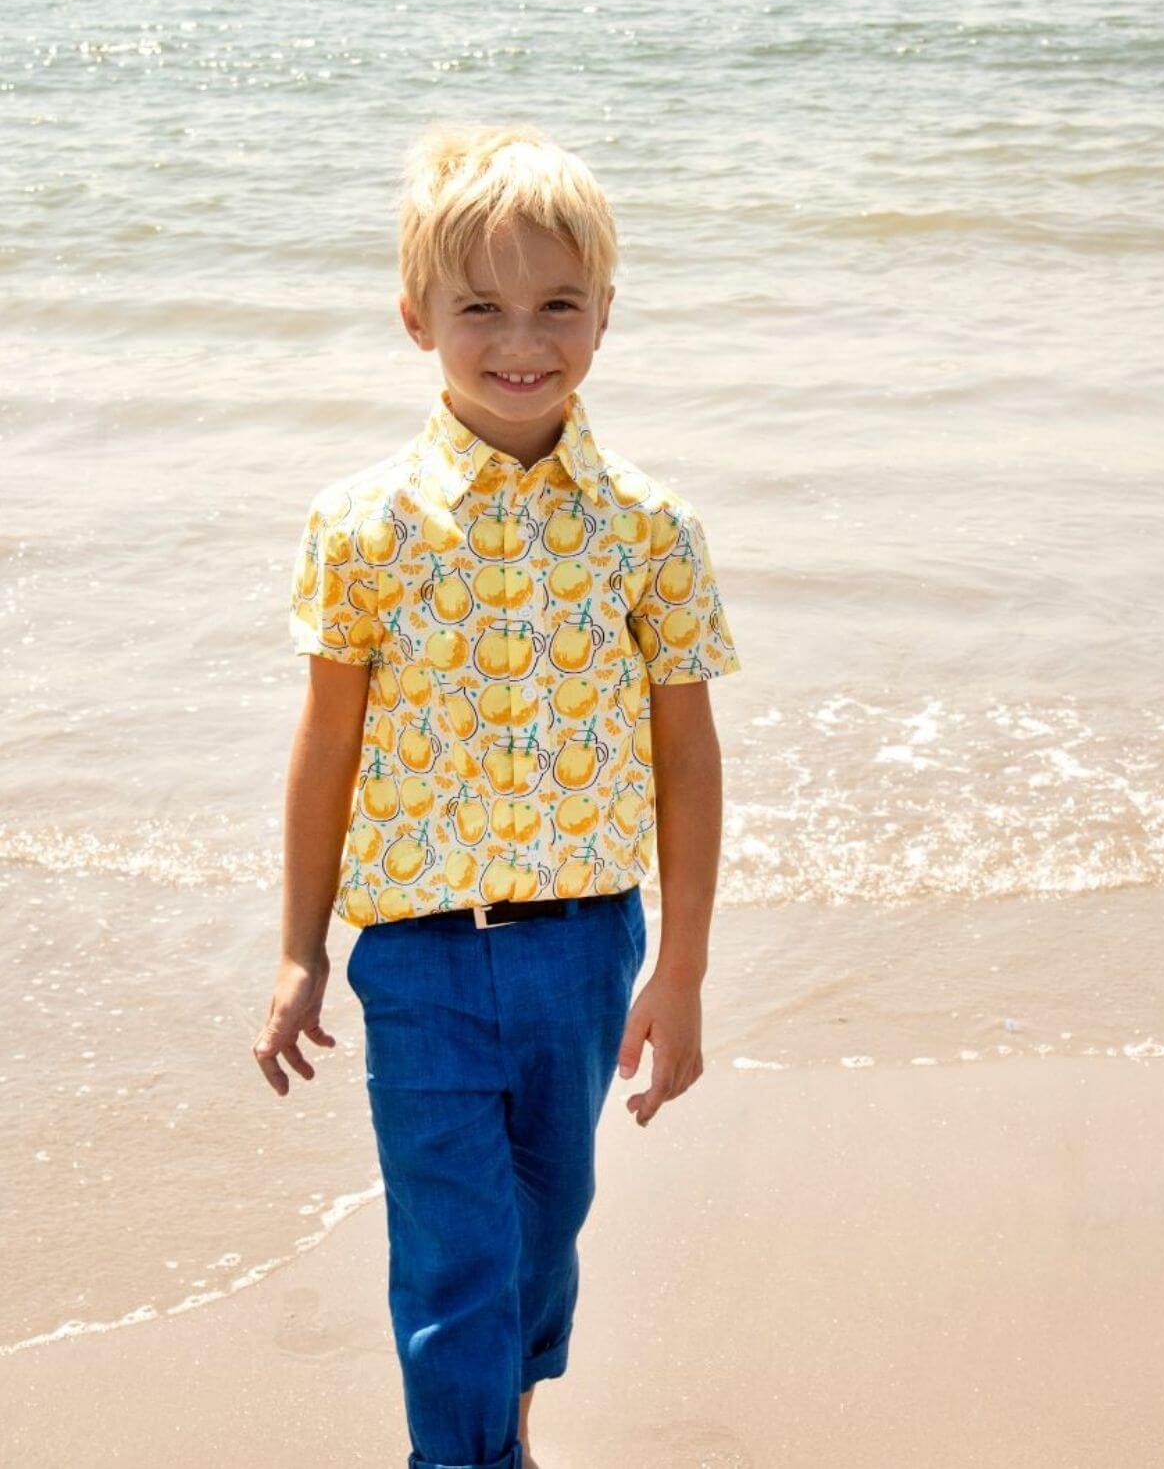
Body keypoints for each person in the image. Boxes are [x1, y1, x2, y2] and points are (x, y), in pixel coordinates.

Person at [253, 121, 742, 1469]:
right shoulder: (364, 525)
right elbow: (326, 746)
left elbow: (688, 754)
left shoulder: (649, 528)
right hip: (416, 952)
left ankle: (503, 1433)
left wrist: (683, 969)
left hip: (585, 951)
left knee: (540, 1231)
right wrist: (299, 949)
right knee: (453, 1251)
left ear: (606, 315)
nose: (522, 341)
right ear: (417, 317)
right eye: (481, 308)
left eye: (558, 307)